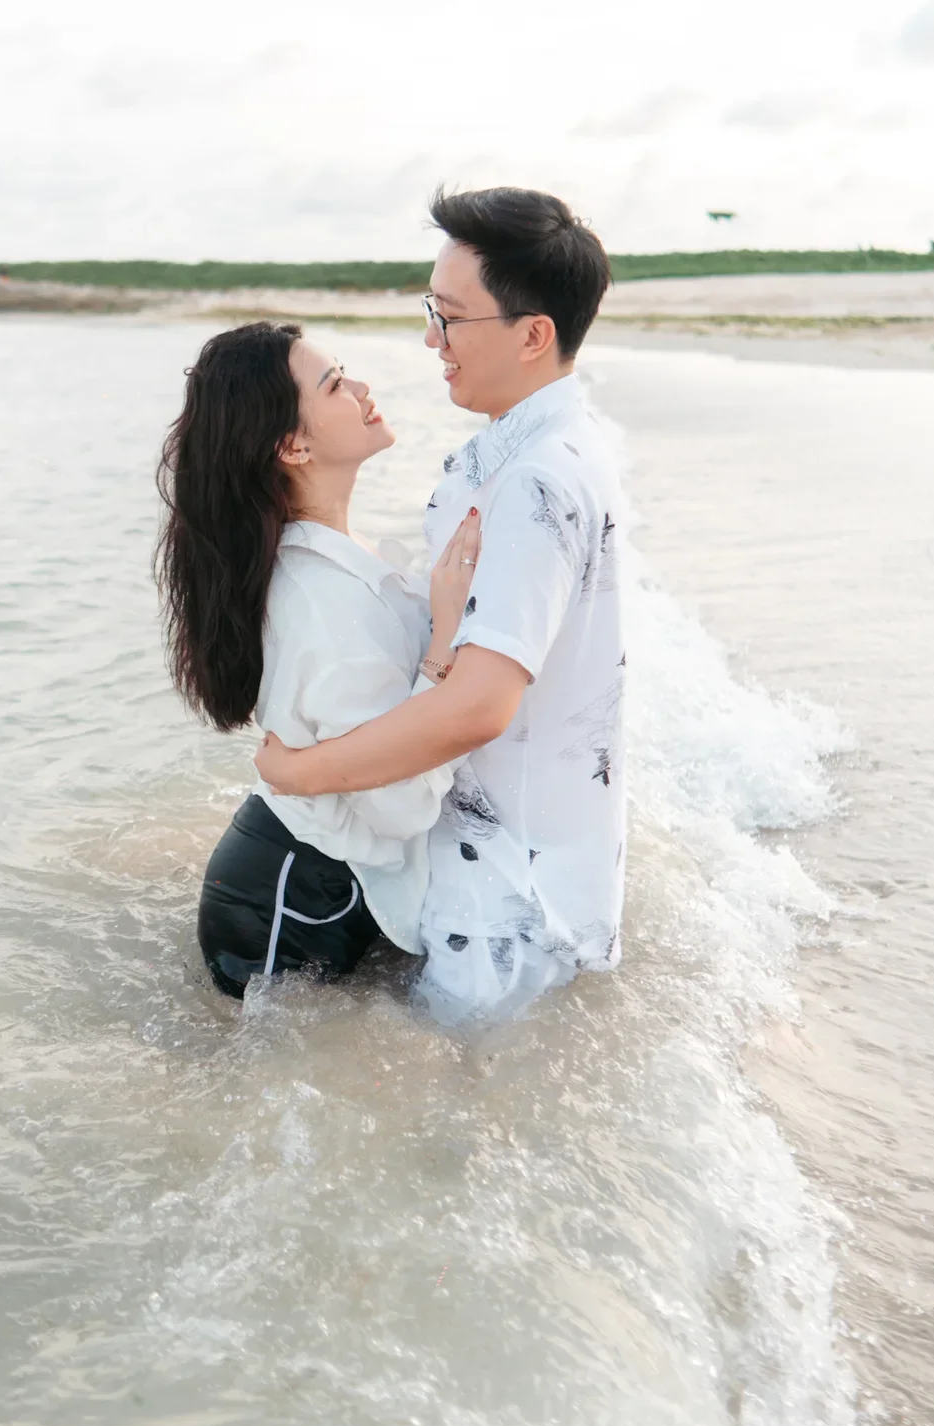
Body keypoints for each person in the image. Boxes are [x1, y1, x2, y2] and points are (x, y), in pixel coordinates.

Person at [256, 186, 624, 1020]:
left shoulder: (538, 476)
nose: (431, 338)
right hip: (494, 871)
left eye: (450, 317)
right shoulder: (519, 451)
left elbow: (477, 709)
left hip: (503, 903)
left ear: (533, 334)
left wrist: (299, 773)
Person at [154, 321, 481, 1000]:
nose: (361, 388)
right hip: (286, 910)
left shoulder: (329, 561)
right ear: (293, 445)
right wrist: (445, 641)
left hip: (301, 873)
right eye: (335, 383)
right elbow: (396, 808)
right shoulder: (324, 601)